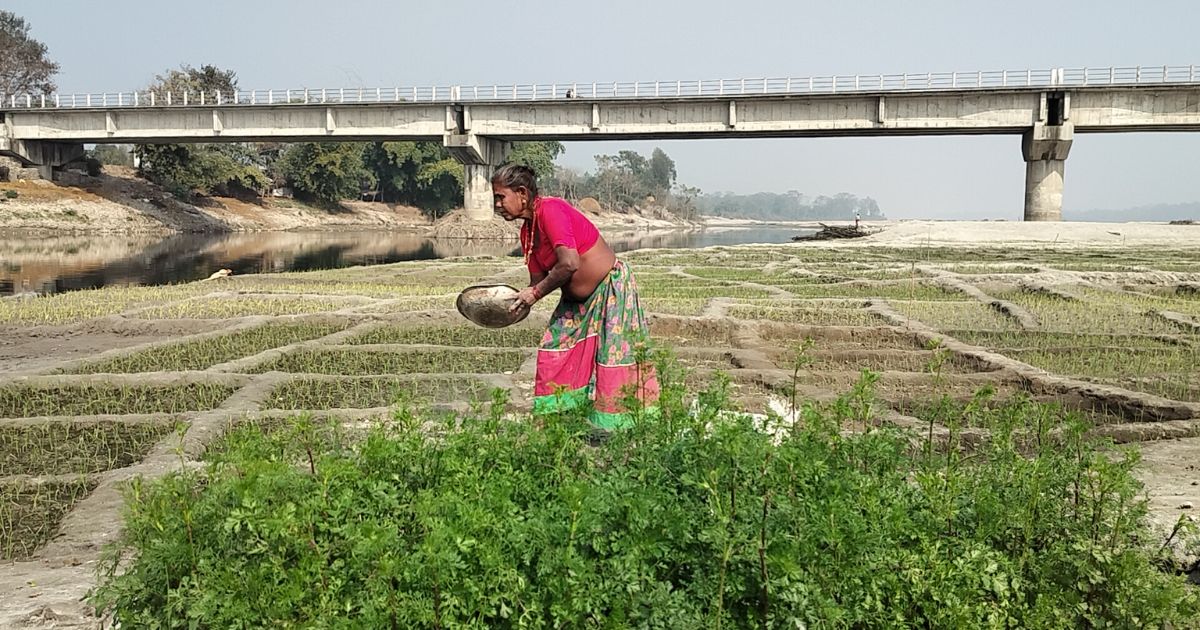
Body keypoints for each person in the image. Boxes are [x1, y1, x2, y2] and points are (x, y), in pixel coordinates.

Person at [492, 164, 659, 429]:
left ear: (522, 193)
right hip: (576, 302)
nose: (497, 204)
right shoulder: (528, 232)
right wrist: (513, 306)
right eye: (496, 198)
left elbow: (569, 264)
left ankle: (621, 426)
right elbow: (537, 281)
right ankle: (559, 419)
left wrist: (533, 295)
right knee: (554, 347)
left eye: (501, 197)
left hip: (609, 290)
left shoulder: (551, 210)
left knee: (613, 357)